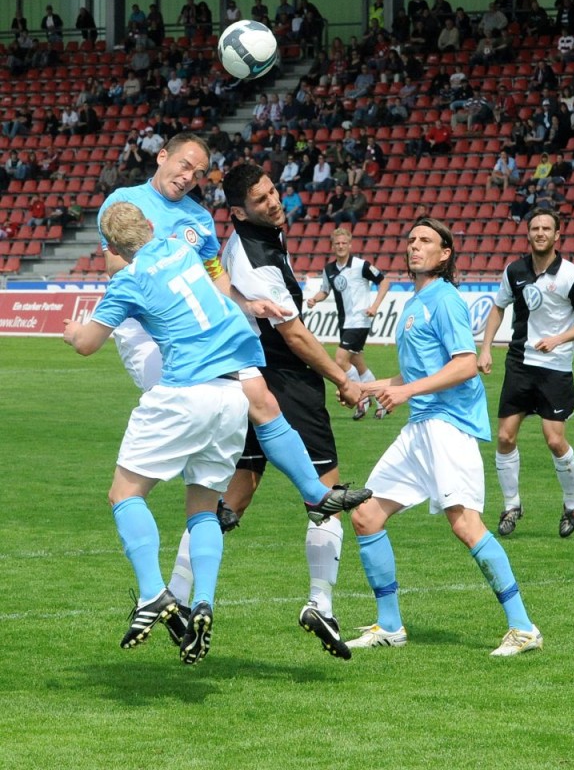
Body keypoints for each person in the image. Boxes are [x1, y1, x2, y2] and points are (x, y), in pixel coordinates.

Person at [98, 135, 370, 656]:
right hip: (155, 333)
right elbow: (119, 269)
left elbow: (216, 281)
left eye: (198, 172)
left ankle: (180, 599)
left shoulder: (201, 221)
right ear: (162, 157)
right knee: (213, 432)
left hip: (214, 338)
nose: (187, 177)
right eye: (182, 166)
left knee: (230, 479)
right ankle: (311, 545)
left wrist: (242, 305)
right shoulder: (124, 205)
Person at [63, 201, 265, 664]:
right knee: (203, 509)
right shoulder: (178, 246)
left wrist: (74, 330)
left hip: (182, 394)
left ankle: (153, 593)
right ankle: (203, 601)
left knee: (124, 494)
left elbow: (89, 345)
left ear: (111, 247)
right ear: (151, 227)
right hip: (231, 394)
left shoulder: (127, 281)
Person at [344, 216, 542, 657]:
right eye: (411, 239)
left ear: (445, 253)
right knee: (365, 517)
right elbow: (418, 372)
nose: (415, 246)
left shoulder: (446, 298)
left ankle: (524, 628)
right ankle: (390, 626)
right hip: (420, 428)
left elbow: (465, 364)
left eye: (426, 241)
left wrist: (404, 391)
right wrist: (373, 388)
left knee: (466, 525)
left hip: (449, 427)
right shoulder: (413, 302)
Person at [213, 163, 371, 661]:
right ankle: (320, 602)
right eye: (261, 200)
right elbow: (296, 334)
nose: (274, 201)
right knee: (326, 489)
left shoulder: (251, 239)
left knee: (240, 488)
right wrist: (344, 379)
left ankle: (181, 591)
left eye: (273, 192)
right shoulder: (256, 256)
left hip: (248, 377)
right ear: (237, 211)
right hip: (285, 382)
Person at [477, 209, 574, 539]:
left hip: (555, 369)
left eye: (547, 228)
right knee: (504, 438)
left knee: (555, 440)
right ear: (528, 233)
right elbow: (498, 307)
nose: (540, 233)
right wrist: (486, 347)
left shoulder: (573, 276)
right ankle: (511, 505)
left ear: (557, 235)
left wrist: (559, 338)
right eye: (535, 228)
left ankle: (572, 504)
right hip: (519, 364)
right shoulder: (514, 271)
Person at [307, 227, 390, 421]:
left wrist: (375, 306)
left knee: (341, 359)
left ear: (350, 245)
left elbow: (384, 281)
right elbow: (325, 291)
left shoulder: (361, 265)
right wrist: (315, 299)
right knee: (358, 364)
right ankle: (382, 402)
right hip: (344, 322)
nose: (341, 246)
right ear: (333, 246)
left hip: (360, 320)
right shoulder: (329, 270)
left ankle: (361, 399)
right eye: (337, 243)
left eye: (344, 243)